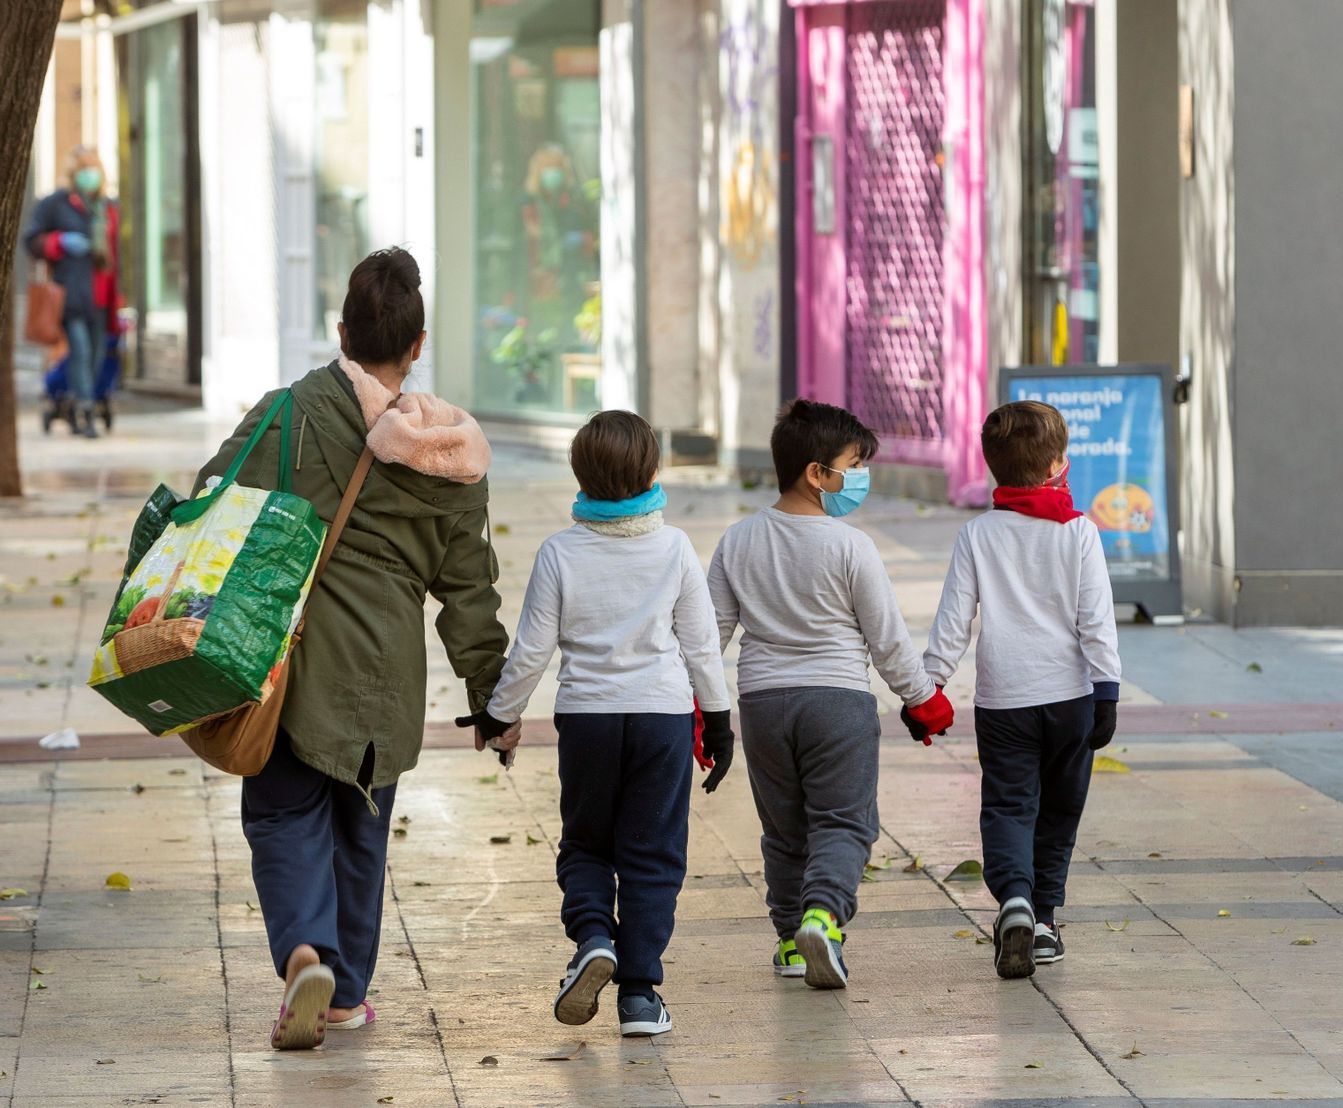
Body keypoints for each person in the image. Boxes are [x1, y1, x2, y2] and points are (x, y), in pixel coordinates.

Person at [195, 247, 510, 1050]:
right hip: (387, 673)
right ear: (418, 343)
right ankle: (345, 994)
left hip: (292, 663)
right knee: (362, 826)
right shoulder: (453, 454)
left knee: (283, 813)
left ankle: (305, 950)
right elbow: (468, 587)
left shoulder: (290, 412)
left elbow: (211, 502)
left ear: (342, 331)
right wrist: (490, 698)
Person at [461, 411, 734, 1038]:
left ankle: (591, 937)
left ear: (579, 473)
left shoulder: (560, 551)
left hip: (587, 720)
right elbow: (700, 646)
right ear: (652, 471)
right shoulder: (674, 548)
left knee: (586, 842)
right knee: (653, 852)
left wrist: (502, 717)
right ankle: (639, 995)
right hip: (663, 718)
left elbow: (532, 650)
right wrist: (717, 723)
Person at [705, 399, 954, 989]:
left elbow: (707, 636)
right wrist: (923, 702)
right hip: (837, 701)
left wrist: (697, 705)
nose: (860, 476)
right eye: (853, 464)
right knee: (844, 824)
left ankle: (792, 941)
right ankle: (824, 917)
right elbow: (888, 640)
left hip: (763, 705)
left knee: (784, 830)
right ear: (817, 473)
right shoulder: (851, 547)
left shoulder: (738, 540)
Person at [917, 400, 1120, 980]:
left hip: (1004, 701)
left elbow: (953, 622)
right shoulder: (1079, 531)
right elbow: (1095, 620)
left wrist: (928, 687)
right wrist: (1106, 690)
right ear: (1058, 464)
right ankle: (1047, 921)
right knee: (1059, 810)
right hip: (1071, 699)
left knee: (1008, 805)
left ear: (992, 468)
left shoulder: (978, 533)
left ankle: (1015, 903)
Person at [25, 146, 122, 438]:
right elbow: (31, 240)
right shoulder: (56, 203)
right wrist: (59, 242)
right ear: (73, 174)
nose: (90, 175)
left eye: (94, 169)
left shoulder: (108, 207)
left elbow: (118, 252)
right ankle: (85, 412)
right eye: (84, 170)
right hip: (68, 295)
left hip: (101, 295)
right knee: (79, 351)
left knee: (95, 356)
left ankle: (76, 401)